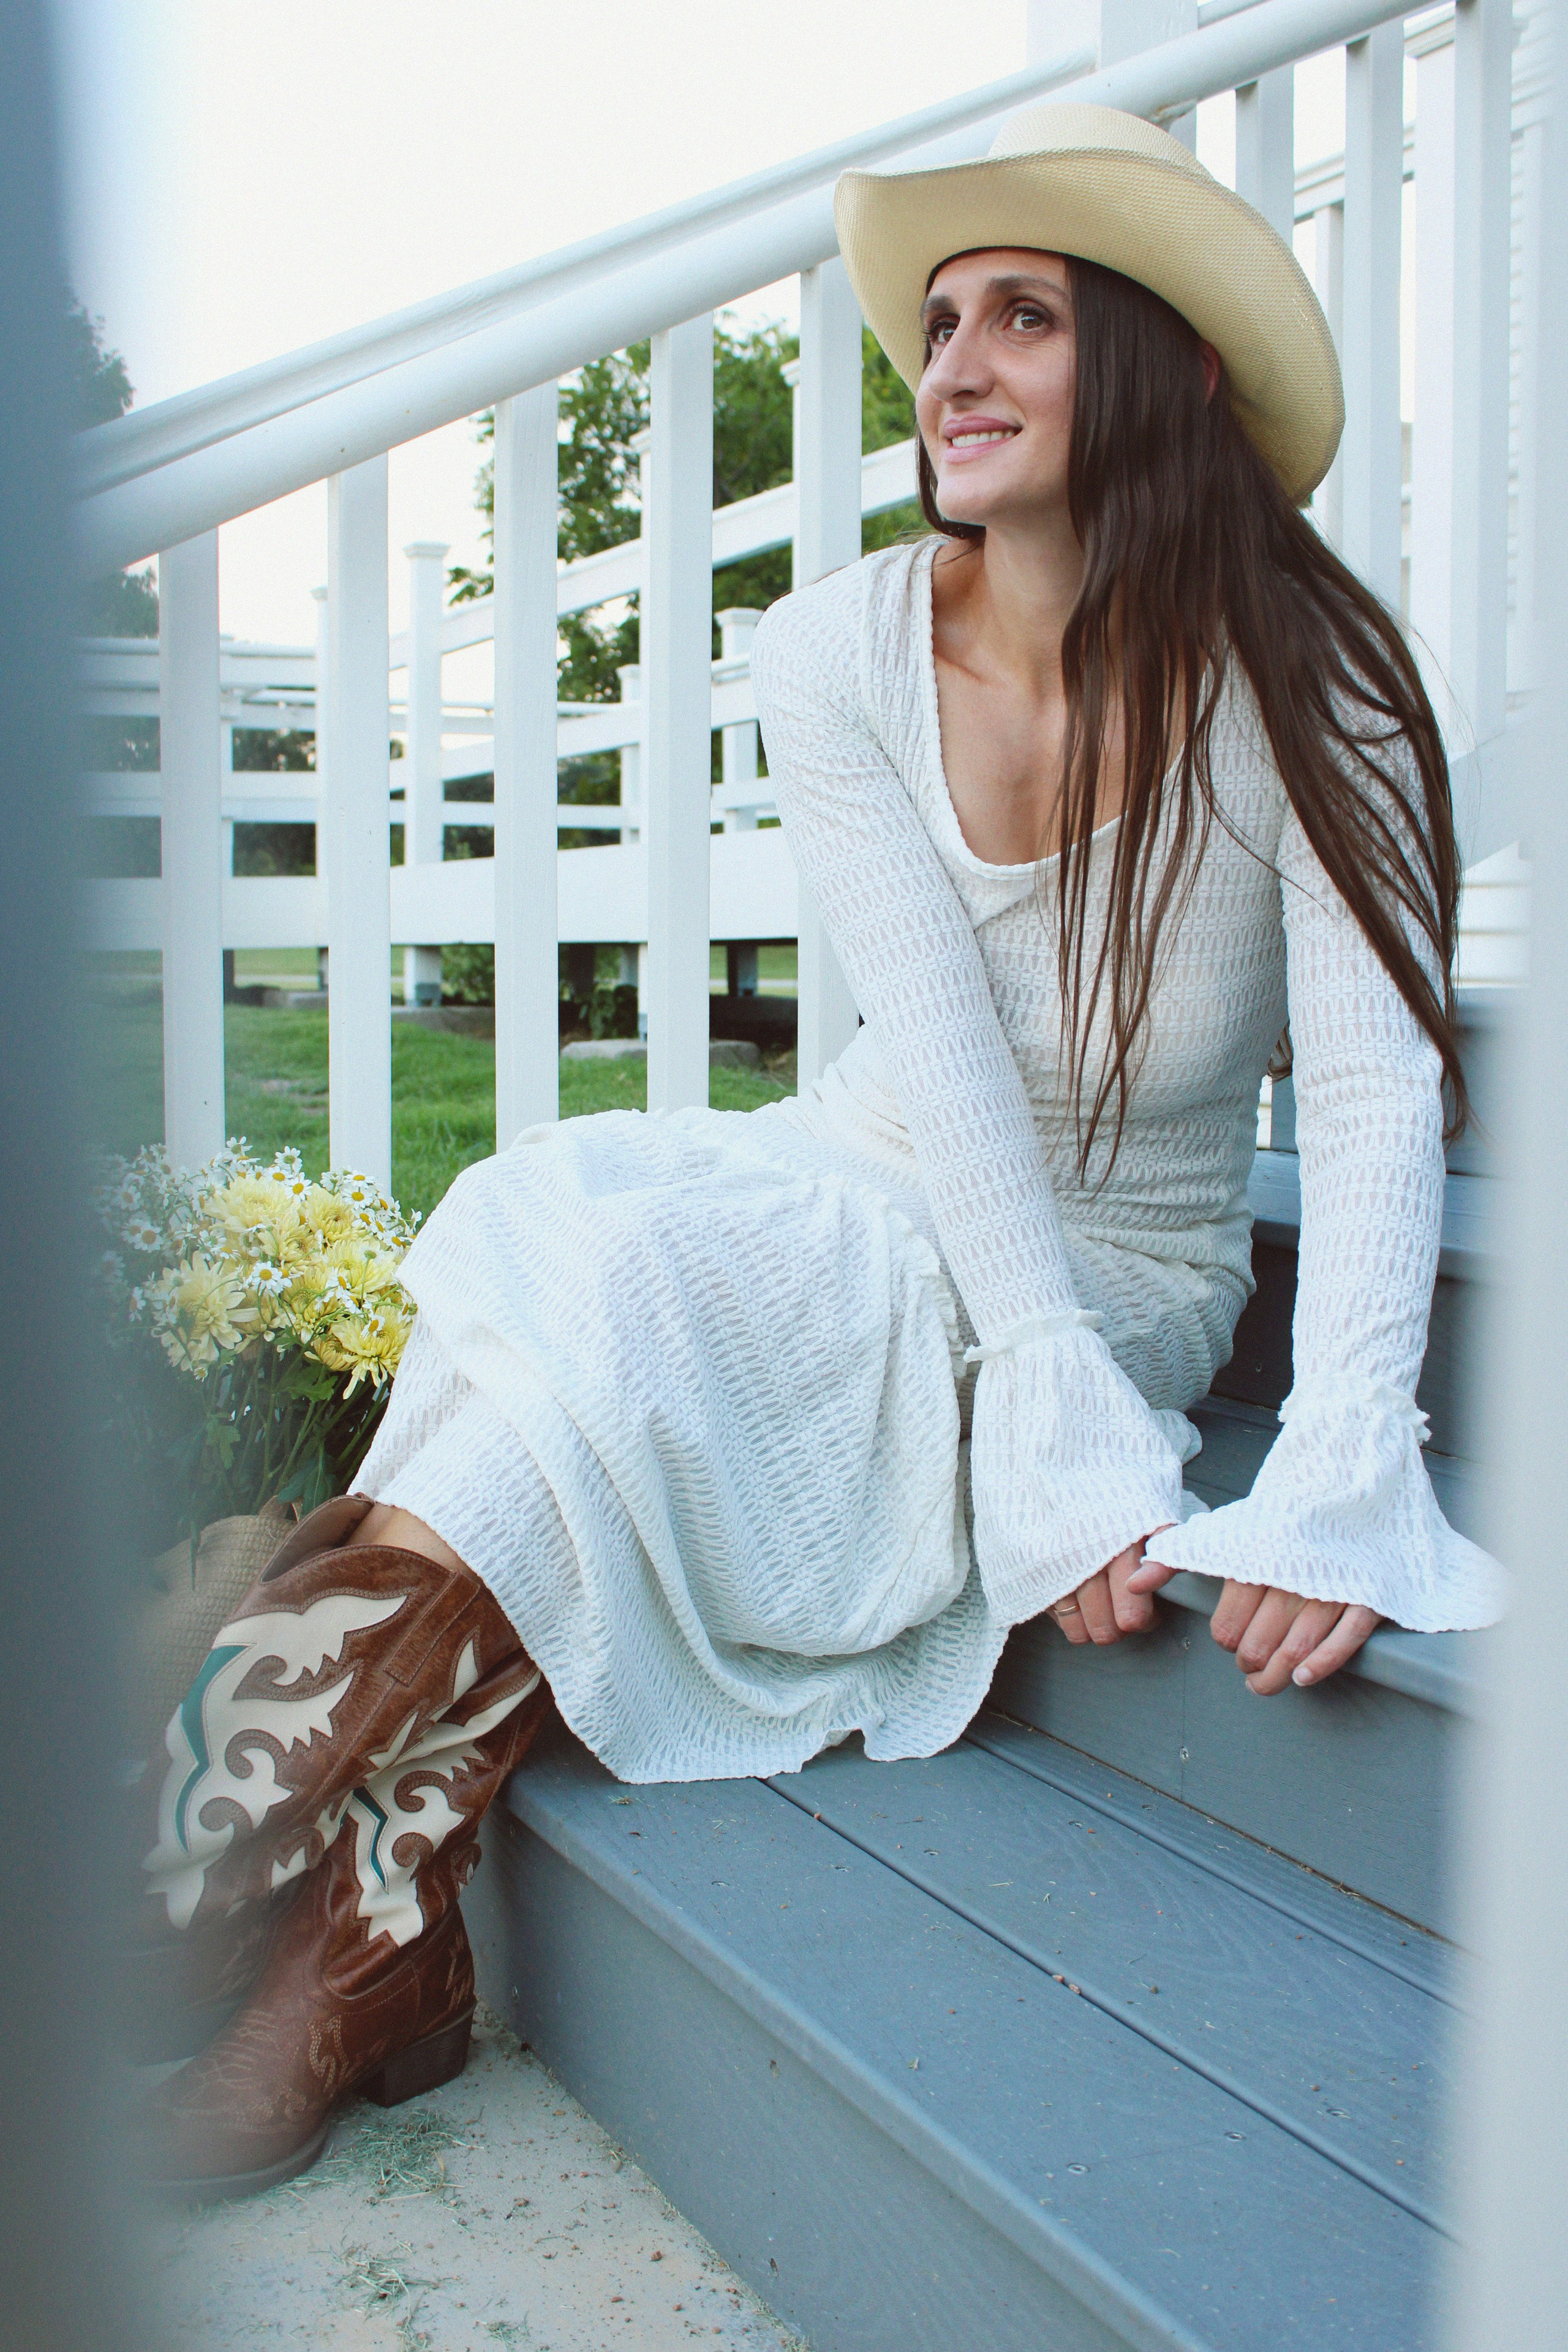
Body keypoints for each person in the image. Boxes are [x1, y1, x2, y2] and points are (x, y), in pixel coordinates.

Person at [127, 102, 1503, 2198]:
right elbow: (936, 1071)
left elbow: (1387, 1090)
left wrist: (1331, 1464)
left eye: (1020, 317)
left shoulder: (1311, 687)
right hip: (875, 1175)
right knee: (566, 1237)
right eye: (937, 323)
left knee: (632, 1315)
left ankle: (267, 1945)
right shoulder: (843, 647)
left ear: (1167, 370)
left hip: (1111, 1263)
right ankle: (332, 1947)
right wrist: (1019, 1392)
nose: (946, 365)